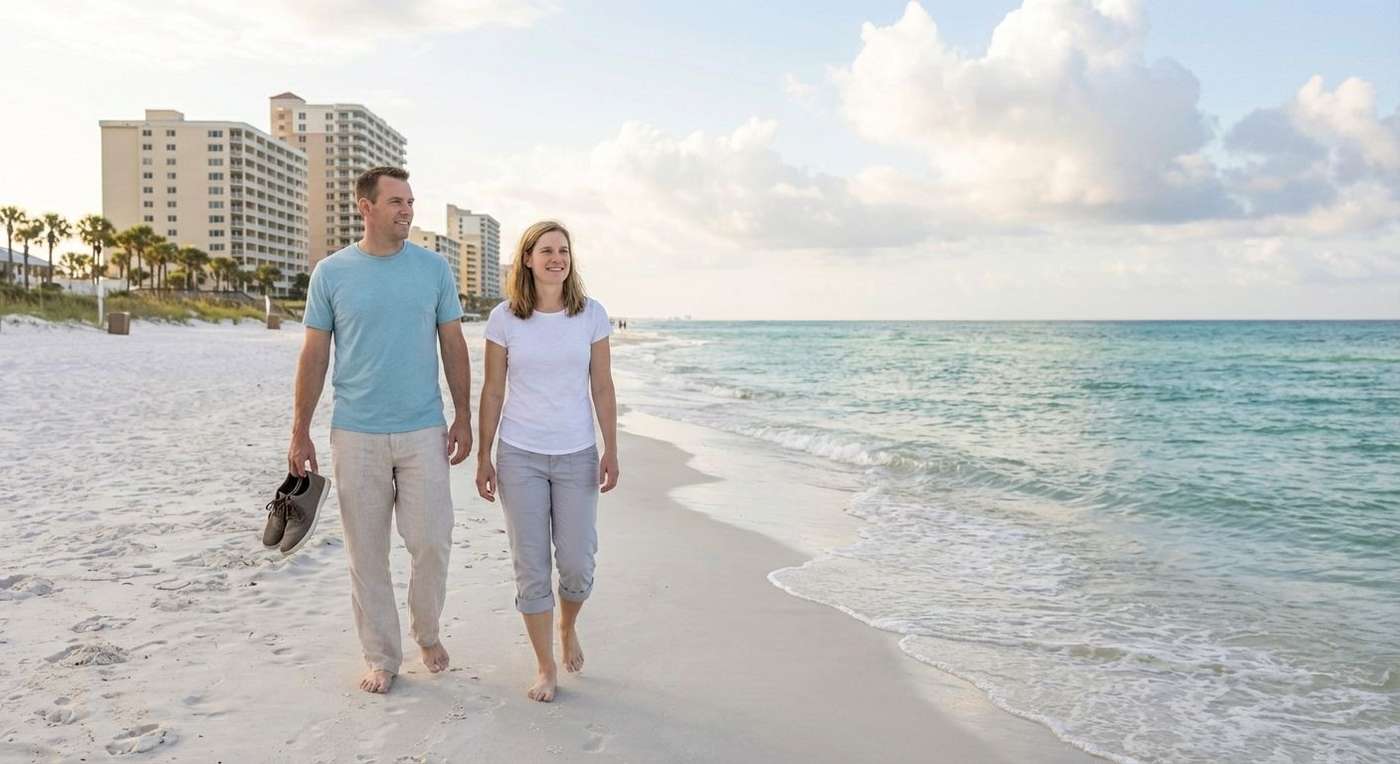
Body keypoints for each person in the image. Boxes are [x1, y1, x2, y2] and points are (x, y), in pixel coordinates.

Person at [288, 166, 472, 694]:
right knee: (366, 553)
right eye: (395, 201)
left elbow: (453, 344)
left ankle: (427, 631)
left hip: (423, 429)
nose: (407, 210)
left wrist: (463, 413)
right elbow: (315, 352)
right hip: (357, 433)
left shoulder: (434, 269)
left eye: (411, 201)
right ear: (364, 207)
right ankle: (381, 656)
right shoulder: (331, 273)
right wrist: (300, 431)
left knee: (431, 541)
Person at [475, 220, 619, 703]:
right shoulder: (504, 318)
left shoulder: (591, 315)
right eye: (546, 250)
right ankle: (544, 665)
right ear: (528, 259)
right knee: (531, 567)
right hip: (520, 456)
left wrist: (611, 449)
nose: (556, 258)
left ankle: (568, 624)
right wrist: (483, 454)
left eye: (563, 250)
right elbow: (493, 389)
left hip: (577, 454)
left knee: (577, 565)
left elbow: (602, 386)